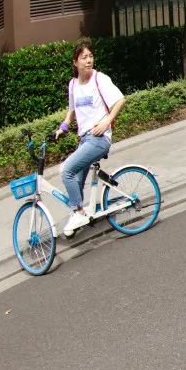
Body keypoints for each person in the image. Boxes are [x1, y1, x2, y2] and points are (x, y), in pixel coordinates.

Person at [52, 40, 126, 236]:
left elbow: (120, 100)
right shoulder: (73, 84)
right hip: (85, 140)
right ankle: (78, 214)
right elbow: (71, 111)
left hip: (99, 139)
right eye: (84, 57)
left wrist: (106, 122)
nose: (89, 60)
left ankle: (78, 212)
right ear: (75, 62)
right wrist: (63, 128)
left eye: (90, 56)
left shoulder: (99, 79)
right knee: (75, 180)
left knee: (66, 170)